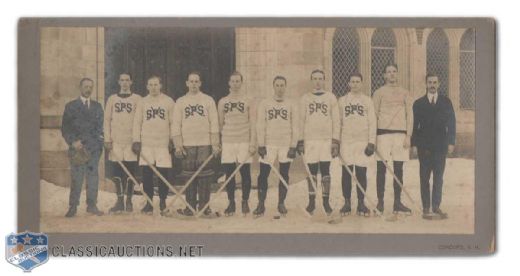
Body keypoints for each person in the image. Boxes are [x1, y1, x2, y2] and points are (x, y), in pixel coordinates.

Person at [173, 71, 220, 217]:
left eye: (196, 81)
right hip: (188, 144)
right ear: (187, 83)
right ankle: (190, 207)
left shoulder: (208, 100)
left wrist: (215, 144)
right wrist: (178, 145)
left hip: (204, 143)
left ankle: (204, 207)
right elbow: (176, 124)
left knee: (205, 176)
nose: (194, 84)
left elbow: (214, 123)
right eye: (191, 81)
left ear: (200, 83)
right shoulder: (181, 101)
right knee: (189, 175)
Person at [411, 73, 456, 219]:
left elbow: (452, 124)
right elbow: (414, 126)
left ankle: (436, 206)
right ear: (425, 84)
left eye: (435, 82)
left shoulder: (446, 102)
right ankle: (425, 207)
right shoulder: (418, 103)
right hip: (424, 148)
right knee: (424, 178)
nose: (432, 85)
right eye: (430, 82)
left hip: (440, 146)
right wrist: (414, 145)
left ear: (439, 84)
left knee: (438, 177)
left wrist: (451, 142)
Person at [254, 76, 299, 216]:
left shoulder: (291, 104)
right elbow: (260, 124)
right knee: (263, 175)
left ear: (286, 87)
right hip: (269, 144)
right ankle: (261, 203)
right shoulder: (265, 103)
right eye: (277, 85)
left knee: (284, 174)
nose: (280, 88)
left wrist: (293, 146)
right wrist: (261, 144)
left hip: (285, 144)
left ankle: (281, 203)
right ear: (273, 86)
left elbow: (295, 126)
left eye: (282, 85)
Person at [297, 69, 340, 215]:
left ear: (324, 80)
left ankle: (326, 203)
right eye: (314, 78)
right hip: (311, 140)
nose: (317, 81)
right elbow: (301, 121)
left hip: (326, 140)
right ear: (311, 80)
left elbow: (336, 121)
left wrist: (335, 141)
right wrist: (300, 141)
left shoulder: (331, 98)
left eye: (320, 78)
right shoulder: (305, 98)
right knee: (312, 172)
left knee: (326, 171)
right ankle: (312, 203)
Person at [372, 63, 413, 215]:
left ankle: (397, 202)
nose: (391, 74)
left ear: (397, 74)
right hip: (382, 134)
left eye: (394, 71)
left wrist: (408, 136)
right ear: (384, 75)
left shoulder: (405, 93)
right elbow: (374, 116)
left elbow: (410, 116)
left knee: (398, 169)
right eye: (388, 72)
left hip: (400, 135)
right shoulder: (378, 93)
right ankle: (380, 202)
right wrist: (373, 138)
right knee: (381, 169)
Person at [132, 76, 175, 215]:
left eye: (156, 84)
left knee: (163, 174)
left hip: (162, 143)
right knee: (147, 174)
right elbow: (137, 122)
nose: (153, 87)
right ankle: (149, 202)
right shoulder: (143, 102)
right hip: (147, 143)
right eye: (151, 84)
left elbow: (173, 123)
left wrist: (172, 140)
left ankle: (162, 201)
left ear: (160, 85)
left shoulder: (168, 101)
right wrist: (136, 140)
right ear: (147, 86)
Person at [61, 77, 104, 217]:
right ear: (80, 88)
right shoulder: (71, 106)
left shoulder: (97, 107)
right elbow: (65, 128)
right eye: (86, 86)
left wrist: (98, 144)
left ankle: (92, 205)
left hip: (93, 149)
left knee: (93, 178)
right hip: (77, 148)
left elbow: (100, 128)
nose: (88, 89)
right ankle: (73, 206)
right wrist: (73, 142)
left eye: (91, 86)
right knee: (77, 177)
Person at [217, 71, 255, 216]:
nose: (235, 84)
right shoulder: (223, 101)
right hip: (228, 140)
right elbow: (220, 123)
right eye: (233, 81)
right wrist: (220, 141)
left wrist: (253, 143)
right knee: (229, 174)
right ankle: (231, 202)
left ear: (242, 82)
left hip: (244, 140)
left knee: (245, 173)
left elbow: (252, 123)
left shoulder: (248, 100)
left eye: (238, 81)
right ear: (229, 83)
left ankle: (245, 201)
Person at [338, 73, 376, 217]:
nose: (355, 84)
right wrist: (337, 141)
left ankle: (361, 202)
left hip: (362, 142)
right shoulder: (342, 101)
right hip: (346, 141)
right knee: (346, 173)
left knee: (361, 172)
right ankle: (347, 203)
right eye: (352, 81)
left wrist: (371, 142)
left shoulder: (367, 101)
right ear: (348, 84)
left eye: (357, 82)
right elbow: (338, 122)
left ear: (362, 84)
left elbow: (372, 122)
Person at [104, 73, 142, 213]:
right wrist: (107, 139)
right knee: (117, 172)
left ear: (131, 82)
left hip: (131, 142)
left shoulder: (137, 99)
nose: (125, 83)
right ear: (119, 82)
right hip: (116, 142)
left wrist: (137, 140)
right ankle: (120, 201)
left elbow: (139, 120)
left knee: (130, 173)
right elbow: (107, 120)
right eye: (122, 80)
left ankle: (129, 201)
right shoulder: (112, 99)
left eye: (127, 80)